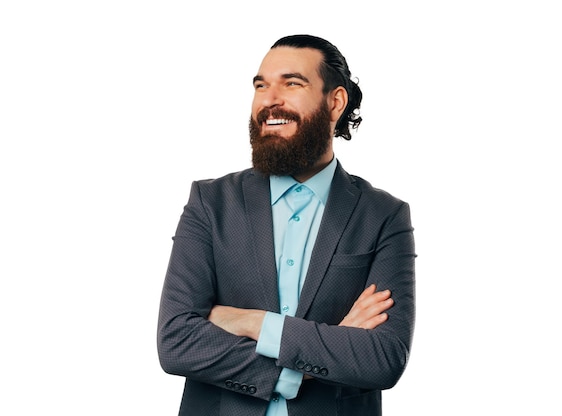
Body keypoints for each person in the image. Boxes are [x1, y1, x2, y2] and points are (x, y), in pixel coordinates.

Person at [157, 34, 416, 416]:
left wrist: (252, 322)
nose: (269, 98)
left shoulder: (383, 215)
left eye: (291, 83)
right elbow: (176, 341)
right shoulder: (210, 203)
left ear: (335, 102)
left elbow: (383, 357)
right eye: (261, 85)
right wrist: (310, 362)